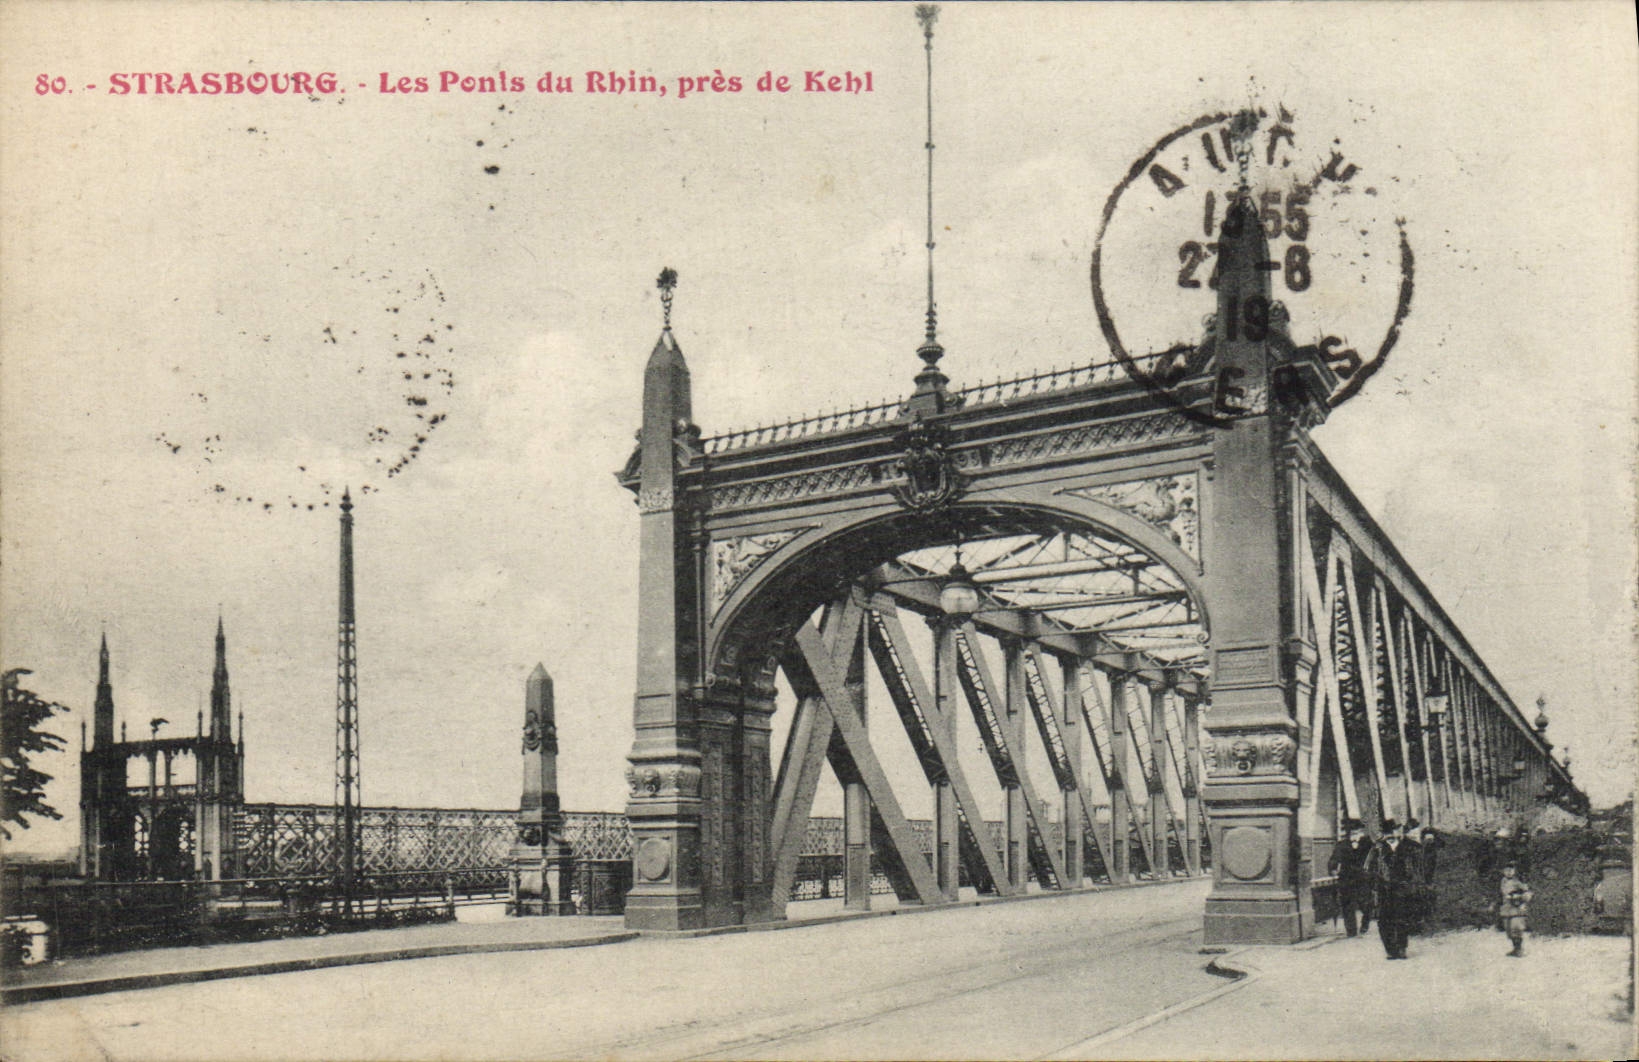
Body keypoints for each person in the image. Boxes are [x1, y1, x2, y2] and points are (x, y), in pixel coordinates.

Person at [1366, 817, 1423, 959]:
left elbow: (1417, 868)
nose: (1391, 835)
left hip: (1402, 889)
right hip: (1382, 890)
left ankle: (1402, 947)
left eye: (1393, 831)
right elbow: (1368, 869)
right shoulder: (1377, 849)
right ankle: (1390, 950)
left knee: (1402, 918)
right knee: (1384, 921)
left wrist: (1412, 884)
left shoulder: (1409, 847)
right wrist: (1374, 885)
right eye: (1388, 833)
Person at [1327, 819, 1374, 937]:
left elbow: (1375, 859)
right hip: (1346, 878)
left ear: (1362, 832)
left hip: (1363, 878)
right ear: (1349, 833)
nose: (1356, 835)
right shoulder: (1342, 845)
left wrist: (1372, 873)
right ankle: (1351, 931)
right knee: (1347, 904)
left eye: (1358, 832)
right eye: (1353, 832)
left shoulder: (1368, 844)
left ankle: (1365, 922)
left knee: (1366, 904)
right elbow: (1334, 858)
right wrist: (1332, 868)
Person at [1499, 860, 1533, 957]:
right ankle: (1514, 949)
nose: (1509, 872)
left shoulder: (1518, 881)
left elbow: (1528, 893)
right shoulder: (1503, 881)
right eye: (1506, 870)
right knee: (1509, 930)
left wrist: (1517, 897)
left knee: (1516, 929)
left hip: (1517, 909)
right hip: (1506, 909)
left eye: (1511, 870)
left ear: (1514, 871)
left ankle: (1519, 949)